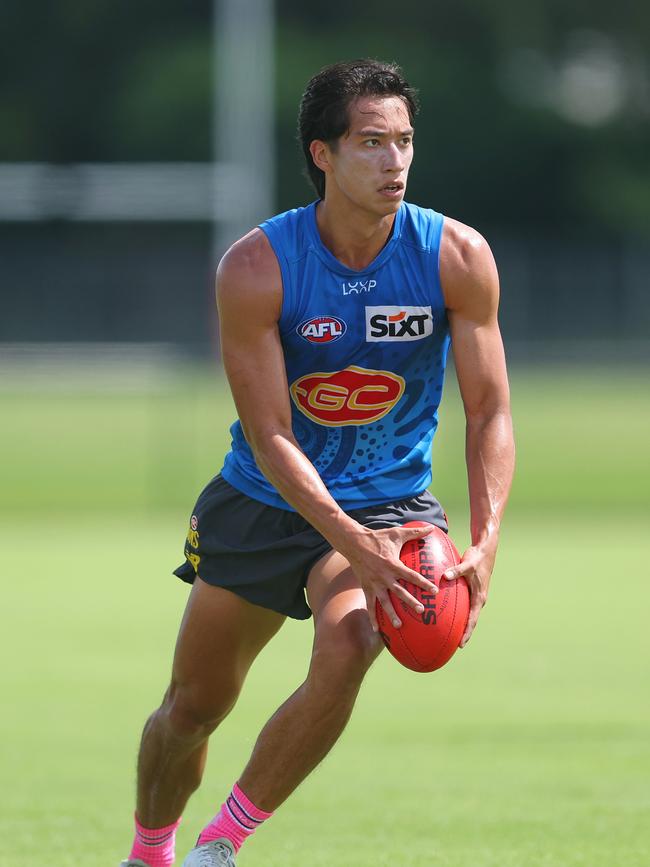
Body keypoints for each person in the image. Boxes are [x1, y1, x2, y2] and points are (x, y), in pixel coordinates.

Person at [120, 58, 515, 867]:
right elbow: (270, 434)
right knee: (191, 709)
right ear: (322, 154)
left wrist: (486, 537)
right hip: (264, 498)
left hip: (390, 505)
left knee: (354, 639)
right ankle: (149, 849)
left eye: (404, 141)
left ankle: (218, 849)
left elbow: (490, 411)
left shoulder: (456, 258)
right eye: (371, 142)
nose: (394, 161)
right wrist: (346, 537)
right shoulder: (257, 267)